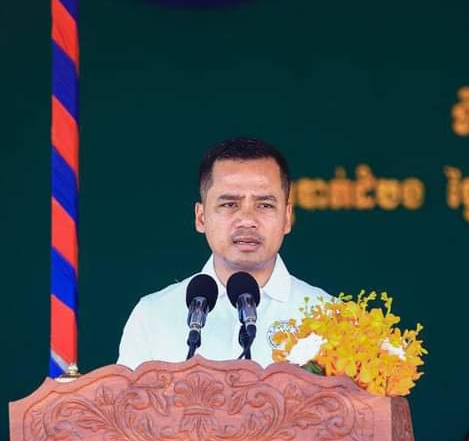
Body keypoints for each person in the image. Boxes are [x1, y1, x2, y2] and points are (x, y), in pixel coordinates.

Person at [117, 137, 330, 369]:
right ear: (201, 218)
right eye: (229, 204)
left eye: (264, 205)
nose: (247, 220)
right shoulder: (152, 316)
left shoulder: (331, 317)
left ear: (287, 219)